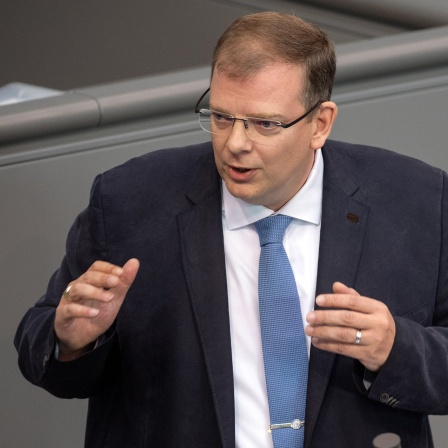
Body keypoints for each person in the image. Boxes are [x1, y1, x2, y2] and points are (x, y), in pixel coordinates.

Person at [14, 11, 448, 448]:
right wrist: (70, 340)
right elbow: (41, 344)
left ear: (320, 123)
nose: (235, 143)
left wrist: (396, 348)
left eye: (265, 124)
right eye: (221, 117)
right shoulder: (130, 202)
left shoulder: (419, 202)